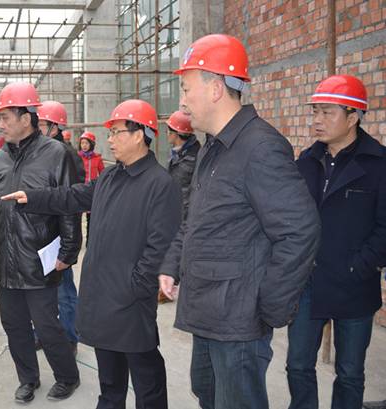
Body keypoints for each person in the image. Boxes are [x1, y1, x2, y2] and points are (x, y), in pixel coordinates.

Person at [158, 34, 321, 409]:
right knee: (207, 392)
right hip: (207, 307)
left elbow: (300, 231)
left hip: (238, 319)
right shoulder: (213, 148)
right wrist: (172, 264)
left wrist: (269, 306)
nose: (182, 101)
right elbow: (196, 219)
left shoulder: (260, 147)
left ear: (216, 88)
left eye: (187, 89)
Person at [3, 99, 181, 409]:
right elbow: (72, 196)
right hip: (102, 297)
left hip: (130, 302)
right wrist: (32, 197)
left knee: (146, 379)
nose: (110, 140)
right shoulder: (112, 177)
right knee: (110, 382)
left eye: (116, 132)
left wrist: (134, 287)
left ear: (139, 135)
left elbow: (159, 247)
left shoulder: (160, 184)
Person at [287, 74, 386, 409]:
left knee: (349, 373)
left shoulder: (379, 164)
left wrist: (358, 266)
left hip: (354, 284)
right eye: (315, 111)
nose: (317, 120)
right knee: (297, 365)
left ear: (352, 117)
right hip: (309, 283)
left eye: (327, 112)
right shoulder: (306, 161)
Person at [0, 82, 81, 403]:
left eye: (5, 117)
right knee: (14, 326)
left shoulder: (56, 154)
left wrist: (69, 251)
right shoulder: (0, 158)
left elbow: (69, 204)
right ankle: (28, 379)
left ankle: (67, 377)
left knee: (47, 326)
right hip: (5, 259)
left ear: (26, 118)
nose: (0, 124)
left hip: (38, 258)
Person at [36, 100, 83, 355]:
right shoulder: (39, 152)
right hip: (39, 235)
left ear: (54, 127)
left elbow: (71, 204)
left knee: (63, 290)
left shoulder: (66, 156)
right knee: (40, 293)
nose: (37, 128)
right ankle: (43, 334)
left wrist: (68, 248)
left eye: (41, 124)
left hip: (57, 237)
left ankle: (69, 337)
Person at [166, 110, 200, 223]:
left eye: (169, 131)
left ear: (176, 134)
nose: (167, 134)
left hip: (186, 216)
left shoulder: (194, 158)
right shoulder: (176, 153)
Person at [77, 131, 105, 243]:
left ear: (91, 144)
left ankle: (90, 243)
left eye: (86, 143)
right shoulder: (77, 158)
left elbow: (102, 174)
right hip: (79, 190)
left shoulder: (97, 158)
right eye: (82, 143)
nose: (84, 145)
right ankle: (76, 242)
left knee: (91, 219)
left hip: (92, 192)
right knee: (76, 219)